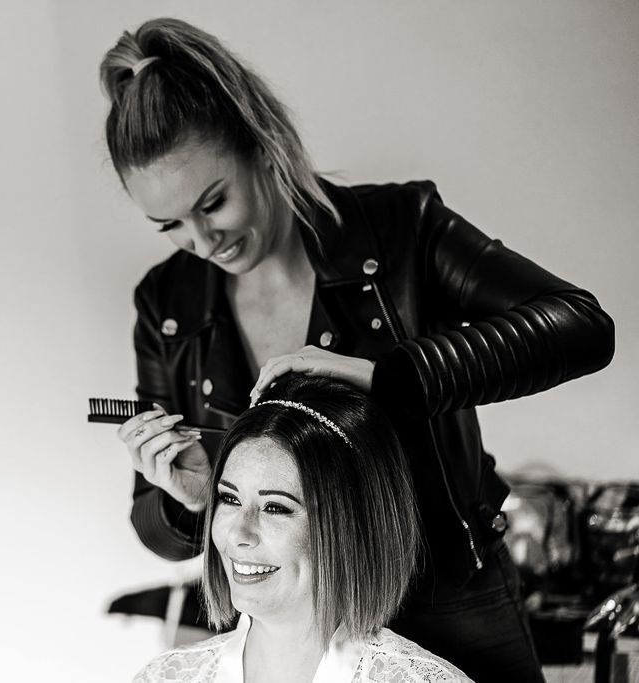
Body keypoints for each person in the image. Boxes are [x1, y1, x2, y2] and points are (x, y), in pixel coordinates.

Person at [101, 17, 615, 683]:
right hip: (289, 622)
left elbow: (580, 324)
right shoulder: (167, 303)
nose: (204, 242)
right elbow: (159, 525)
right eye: (170, 225)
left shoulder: (401, 230)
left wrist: (391, 377)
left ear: (261, 144)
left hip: (449, 596)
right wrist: (186, 499)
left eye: (214, 203)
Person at [134, 375, 473, 682]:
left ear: (348, 526)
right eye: (230, 499)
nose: (238, 534)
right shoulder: (166, 677)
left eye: (276, 508)